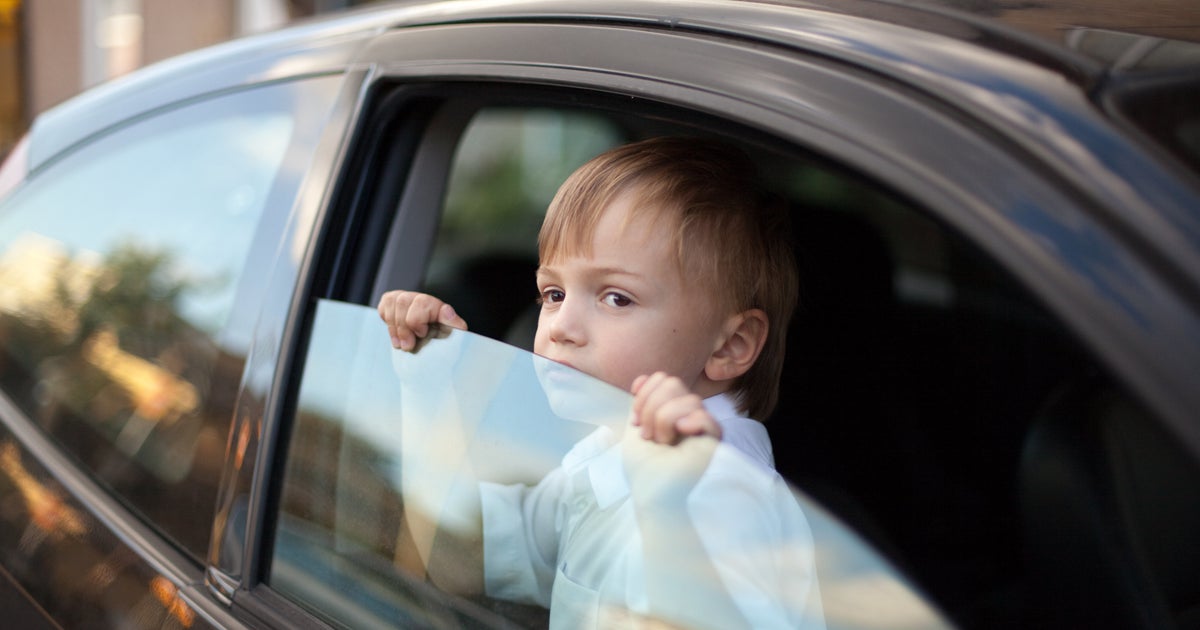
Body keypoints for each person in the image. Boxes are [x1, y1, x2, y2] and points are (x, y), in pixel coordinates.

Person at [378, 137, 822, 628]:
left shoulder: (720, 492)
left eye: (616, 298)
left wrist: (667, 514)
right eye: (553, 292)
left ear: (730, 346)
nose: (561, 326)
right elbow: (461, 557)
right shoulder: (604, 456)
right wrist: (428, 387)